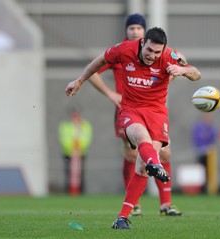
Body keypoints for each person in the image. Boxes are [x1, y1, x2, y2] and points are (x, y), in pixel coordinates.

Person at [65, 27, 201, 229]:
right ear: (143, 42)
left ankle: (122, 218)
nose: (152, 56)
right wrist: (80, 80)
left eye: (157, 52)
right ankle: (156, 164)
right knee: (140, 139)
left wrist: (182, 70)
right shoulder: (124, 49)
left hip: (156, 113)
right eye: (149, 50)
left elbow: (196, 74)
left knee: (142, 168)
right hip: (130, 109)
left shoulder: (169, 56)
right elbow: (100, 61)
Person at [88, 14, 182, 217]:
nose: (134, 31)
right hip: (128, 108)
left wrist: (171, 76)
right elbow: (93, 69)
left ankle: (165, 204)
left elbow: (183, 64)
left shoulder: (158, 52)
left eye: (139, 28)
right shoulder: (123, 50)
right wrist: (110, 93)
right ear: (127, 32)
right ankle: (135, 204)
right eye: (131, 28)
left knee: (163, 153)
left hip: (153, 110)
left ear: (144, 33)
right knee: (133, 154)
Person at [58, 105, 93, 195]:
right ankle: (68, 192)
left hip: (81, 153)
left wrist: (79, 147)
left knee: (81, 174)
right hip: (68, 153)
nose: (75, 117)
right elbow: (63, 139)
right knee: (68, 173)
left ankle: (81, 192)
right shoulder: (65, 125)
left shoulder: (85, 125)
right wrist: (72, 147)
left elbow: (87, 138)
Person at [191, 113, 218, 193]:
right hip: (200, 152)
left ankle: (207, 188)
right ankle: (201, 188)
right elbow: (196, 138)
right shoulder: (198, 127)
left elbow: (214, 137)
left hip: (208, 153)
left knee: (208, 171)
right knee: (201, 170)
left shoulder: (211, 128)